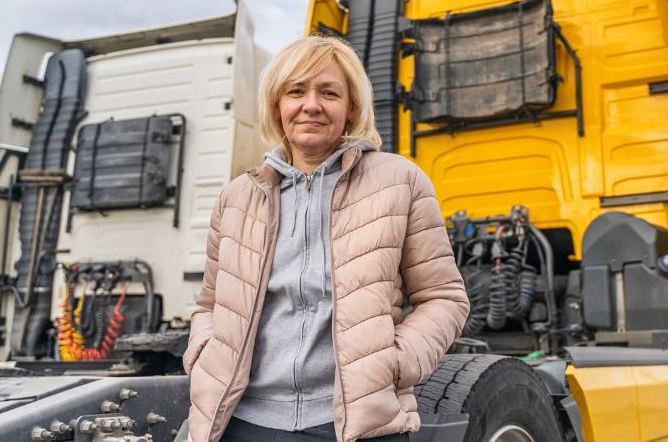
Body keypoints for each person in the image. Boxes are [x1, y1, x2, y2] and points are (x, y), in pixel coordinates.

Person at [183, 35, 470, 442]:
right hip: (243, 423)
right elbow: (209, 305)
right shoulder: (237, 198)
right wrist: (204, 352)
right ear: (276, 105)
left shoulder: (398, 181)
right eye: (296, 91)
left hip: (356, 426)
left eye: (329, 92)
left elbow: (444, 297)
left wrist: (394, 362)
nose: (311, 104)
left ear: (351, 108)